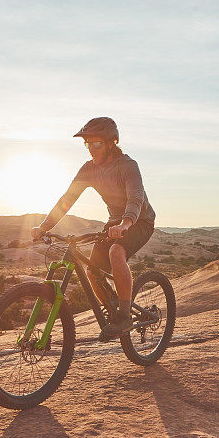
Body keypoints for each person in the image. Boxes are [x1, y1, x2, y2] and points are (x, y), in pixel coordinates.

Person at [31, 117, 156, 341]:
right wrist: (44, 226)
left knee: (116, 252)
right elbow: (67, 200)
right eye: (87, 144)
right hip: (115, 222)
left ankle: (125, 316)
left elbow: (135, 198)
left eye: (96, 144)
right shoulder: (88, 169)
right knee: (92, 271)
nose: (91, 149)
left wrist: (125, 223)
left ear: (111, 143)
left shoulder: (128, 166)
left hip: (139, 221)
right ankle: (113, 311)